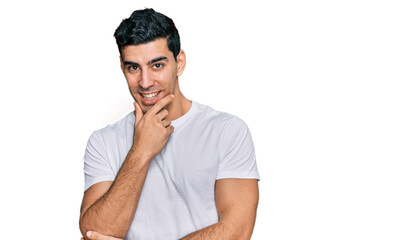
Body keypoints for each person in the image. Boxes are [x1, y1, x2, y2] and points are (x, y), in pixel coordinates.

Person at [79, 8, 260, 240]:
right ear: (122, 67)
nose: (145, 82)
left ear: (180, 62)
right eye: (133, 67)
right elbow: (94, 232)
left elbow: (237, 231)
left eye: (157, 65)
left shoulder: (227, 131)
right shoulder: (103, 142)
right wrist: (141, 151)